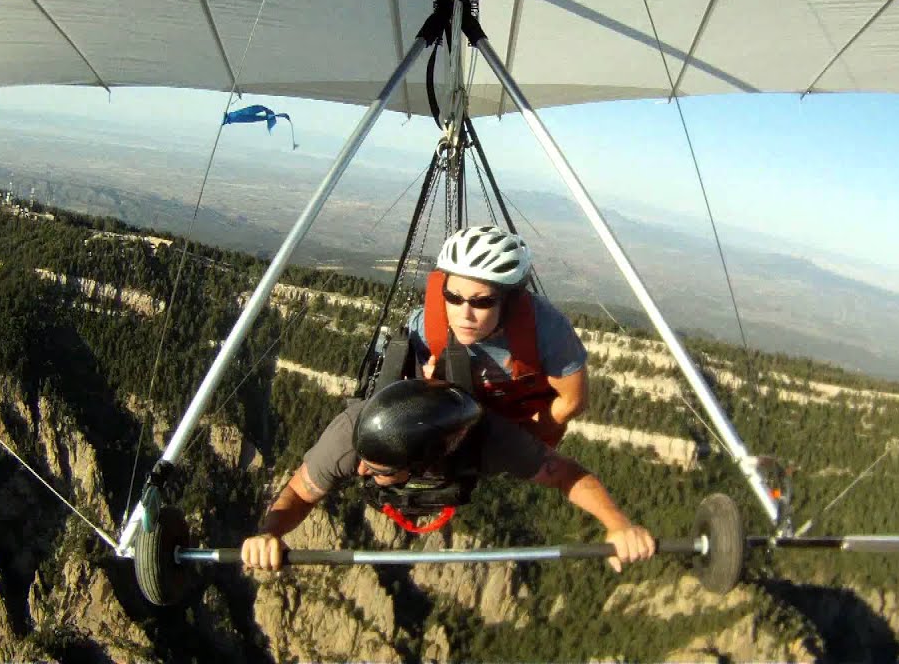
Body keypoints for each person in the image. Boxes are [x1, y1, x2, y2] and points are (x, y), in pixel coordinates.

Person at [241, 378, 655, 573]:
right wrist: (269, 532)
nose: (361, 470)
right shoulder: (351, 438)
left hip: (460, 458)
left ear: (419, 466)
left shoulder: (491, 441)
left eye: (378, 469)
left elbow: (567, 474)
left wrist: (618, 526)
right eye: (365, 463)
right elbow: (298, 493)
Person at [409, 225, 589, 447]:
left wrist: (514, 444)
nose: (465, 315)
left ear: (509, 303)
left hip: (521, 426)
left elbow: (572, 401)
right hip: (458, 426)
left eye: (482, 302)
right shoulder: (425, 327)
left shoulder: (547, 329)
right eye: (453, 297)